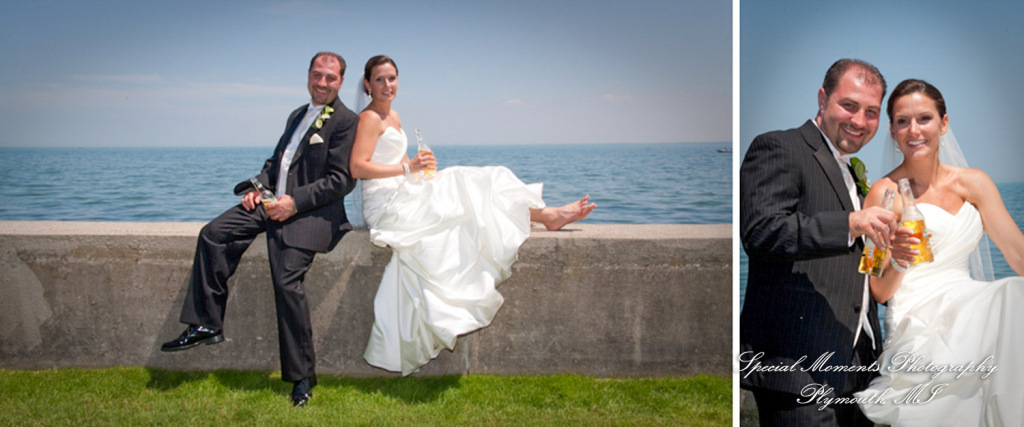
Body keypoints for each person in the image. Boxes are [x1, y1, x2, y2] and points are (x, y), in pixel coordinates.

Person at [350, 55, 596, 376]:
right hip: (385, 204)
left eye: (392, 78)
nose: (387, 86)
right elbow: (358, 167)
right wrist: (407, 168)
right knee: (468, 183)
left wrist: (417, 165)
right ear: (367, 84)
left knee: (476, 185)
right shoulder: (369, 118)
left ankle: (545, 214)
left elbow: (396, 157)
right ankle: (547, 215)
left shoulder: (394, 115)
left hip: (403, 189)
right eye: (379, 79)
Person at [159, 52, 359, 408]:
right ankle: (206, 324)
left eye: (331, 77)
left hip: (308, 213)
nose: (323, 82)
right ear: (308, 76)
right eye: (317, 75)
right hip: (270, 204)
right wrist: (257, 188)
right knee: (213, 234)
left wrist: (293, 203)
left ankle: (301, 378)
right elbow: (276, 162)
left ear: (341, 81)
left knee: (286, 282)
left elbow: (340, 181)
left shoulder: (346, 121)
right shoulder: (297, 115)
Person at [739, 58, 899, 427]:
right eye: (849, 105)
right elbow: (762, 231)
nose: (859, 121)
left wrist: (894, 258)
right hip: (797, 368)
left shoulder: (852, 172)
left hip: (856, 369)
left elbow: (855, 270)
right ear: (822, 98)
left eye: (871, 112)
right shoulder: (779, 146)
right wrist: (851, 221)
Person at [854, 79, 1024, 425]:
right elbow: (877, 288)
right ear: (892, 130)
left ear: (943, 123)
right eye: (902, 121)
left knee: (1014, 293)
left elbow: (1018, 256)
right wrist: (902, 258)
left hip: (968, 298)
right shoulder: (884, 194)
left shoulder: (974, 183)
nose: (914, 130)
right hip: (917, 312)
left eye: (924, 119)